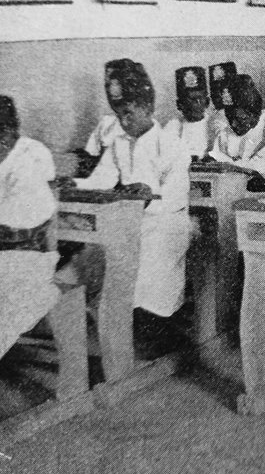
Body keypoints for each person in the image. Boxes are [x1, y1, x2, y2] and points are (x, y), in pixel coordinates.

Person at [66, 64, 192, 319]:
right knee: (100, 260)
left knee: (143, 268)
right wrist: (72, 184)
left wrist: (148, 196)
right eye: (118, 114)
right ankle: (115, 320)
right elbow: (100, 180)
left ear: (147, 108)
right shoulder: (119, 143)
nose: (123, 122)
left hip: (166, 222)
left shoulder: (171, 144)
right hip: (130, 221)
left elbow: (176, 197)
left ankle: (150, 322)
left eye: (129, 113)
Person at [0, 96, 60, 359]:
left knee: (13, 300)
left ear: (9, 133)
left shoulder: (30, 156)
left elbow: (22, 226)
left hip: (28, 256)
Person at [206, 74, 265, 191]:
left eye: (240, 119)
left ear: (254, 116)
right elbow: (216, 157)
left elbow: (264, 167)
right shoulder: (226, 130)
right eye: (230, 119)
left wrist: (230, 166)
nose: (233, 125)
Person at [77, 59, 138, 175]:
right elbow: (90, 161)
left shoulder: (145, 125)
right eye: (108, 84)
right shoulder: (107, 122)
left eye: (117, 83)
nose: (111, 90)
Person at [165, 66, 215, 159]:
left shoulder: (214, 126)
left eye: (199, 99)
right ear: (179, 104)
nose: (195, 105)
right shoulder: (173, 127)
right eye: (190, 100)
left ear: (207, 102)